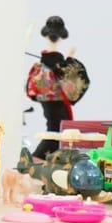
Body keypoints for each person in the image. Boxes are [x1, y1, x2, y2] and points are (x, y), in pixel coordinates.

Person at [32, 16, 76, 159]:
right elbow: (63, 73)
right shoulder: (54, 57)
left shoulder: (46, 57)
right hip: (55, 98)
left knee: (55, 129)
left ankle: (43, 158)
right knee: (56, 131)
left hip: (48, 97)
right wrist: (70, 58)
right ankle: (36, 158)